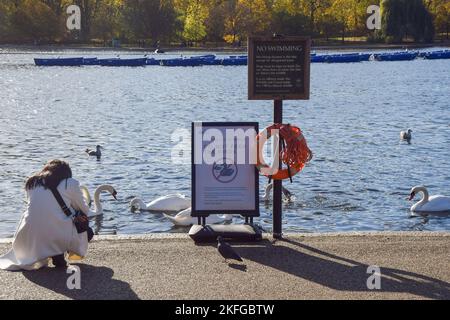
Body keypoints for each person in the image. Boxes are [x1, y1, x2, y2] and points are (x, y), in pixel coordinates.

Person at [0, 160, 93, 270]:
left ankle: (56, 253)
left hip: (29, 236)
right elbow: (84, 210)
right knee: (87, 230)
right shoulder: (70, 183)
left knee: (51, 220)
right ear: (66, 173)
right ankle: (59, 252)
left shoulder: (32, 182)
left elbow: (39, 207)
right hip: (57, 233)